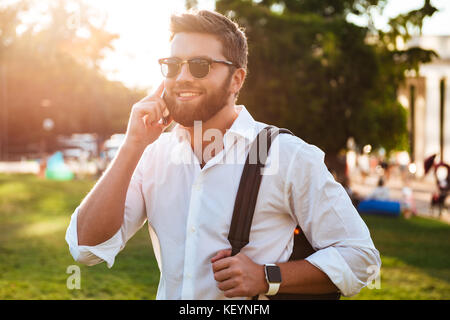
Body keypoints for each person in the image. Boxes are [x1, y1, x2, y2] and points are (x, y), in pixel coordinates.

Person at [65, 10, 380, 300]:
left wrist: (267, 277)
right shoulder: (152, 155)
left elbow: (361, 257)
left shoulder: (287, 155)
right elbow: (87, 249)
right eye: (173, 66)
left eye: (200, 65)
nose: (183, 77)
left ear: (237, 80)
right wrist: (132, 145)